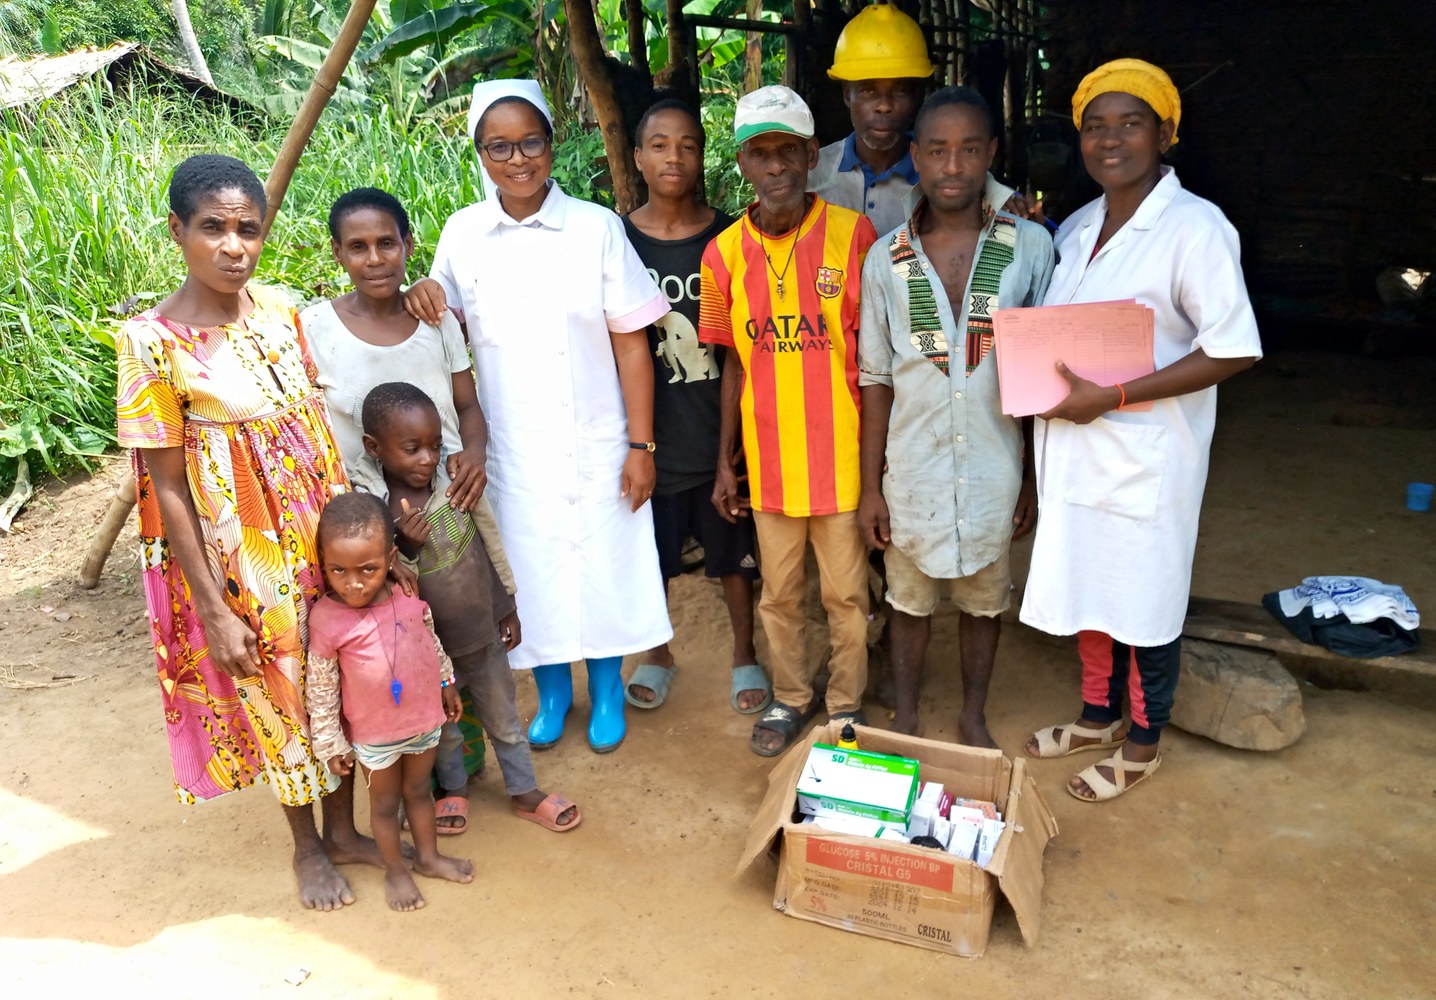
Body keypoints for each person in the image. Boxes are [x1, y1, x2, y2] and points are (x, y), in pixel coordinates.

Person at [115, 154, 384, 910]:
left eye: (248, 229)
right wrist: (211, 607)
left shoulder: (278, 310)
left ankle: (344, 829)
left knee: (336, 670)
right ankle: (308, 847)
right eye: (213, 228)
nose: (234, 247)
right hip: (246, 551)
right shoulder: (150, 342)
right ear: (178, 230)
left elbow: (314, 431)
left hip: (323, 532)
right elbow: (167, 486)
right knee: (278, 688)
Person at [405, 79, 672, 754]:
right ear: (480, 154)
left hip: (598, 438)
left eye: (531, 142)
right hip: (512, 447)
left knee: (605, 564)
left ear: (552, 144)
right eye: (499, 147)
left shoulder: (595, 227)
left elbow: (632, 344)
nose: (517, 159)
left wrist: (641, 445)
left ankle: (606, 688)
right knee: (533, 574)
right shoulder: (464, 234)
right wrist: (422, 292)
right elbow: (443, 331)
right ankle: (553, 694)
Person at [1019, 59, 1262, 801]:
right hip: (1077, 447)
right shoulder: (1079, 226)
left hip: (1146, 453)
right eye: (1095, 126)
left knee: (1146, 597)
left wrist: (1117, 395)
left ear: (1165, 134)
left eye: (1130, 124)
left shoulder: (1195, 228)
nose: (1110, 139)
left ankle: (1144, 741)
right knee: (1091, 582)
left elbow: (1232, 348)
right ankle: (1098, 716)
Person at [302, 189, 578, 832]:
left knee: (477, 663)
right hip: (368, 517)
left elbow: (468, 407)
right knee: (409, 665)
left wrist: (472, 454)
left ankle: (502, 782)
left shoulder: (434, 319)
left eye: (388, 243)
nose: (375, 258)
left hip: (454, 493)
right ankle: (429, 780)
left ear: (407, 244)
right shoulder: (313, 328)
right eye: (358, 246)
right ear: (337, 253)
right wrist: (386, 534)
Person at [857, 87, 1054, 746]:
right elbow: (876, 379)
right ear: (915, 156)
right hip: (912, 470)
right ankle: (908, 715)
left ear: (991, 153)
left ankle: (973, 715)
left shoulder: (1030, 248)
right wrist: (870, 488)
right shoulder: (886, 258)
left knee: (984, 601)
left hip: (995, 468)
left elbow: (1043, 377)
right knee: (908, 601)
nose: (952, 166)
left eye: (969, 150)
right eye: (937, 150)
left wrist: (1031, 480)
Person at [699, 85, 878, 757]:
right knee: (778, 594)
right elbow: (733, 364)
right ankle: (793, 696)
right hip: (769, 462)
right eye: (760, 153)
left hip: (841, 459)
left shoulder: (852, 235)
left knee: (846, 597)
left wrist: (878, 464)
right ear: (742, 162)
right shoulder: (722, 254)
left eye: (788, 152)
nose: (775, 166)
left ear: (811, 156)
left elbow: (874, 357)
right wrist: (725, 461)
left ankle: (846, 705)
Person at [620, 98, 768, 716]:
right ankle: (657, 653)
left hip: (719, 425)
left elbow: (744, 345)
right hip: (649, 432)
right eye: (659, 145)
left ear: (703, 155)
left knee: (733, 554)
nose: (673, 157)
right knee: (651, 554)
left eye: (687, 144)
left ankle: (744, 653)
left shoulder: (732, 236)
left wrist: (734, 445)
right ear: (637, 156)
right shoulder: (618, 240)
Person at [305, 492, 474, 911]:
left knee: (419, 791)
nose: (354, 583)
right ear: (324, 564)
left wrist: (447, 681)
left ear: (391, 558)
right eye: (338, 571)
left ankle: (429, 858)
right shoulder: (326, 618)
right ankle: (396, 871)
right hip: (375, 736)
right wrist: (329, 742)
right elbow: (321, 689)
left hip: (423, 723)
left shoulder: (406, 595)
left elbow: (429, 641)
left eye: (369, 569)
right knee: (384, 805)